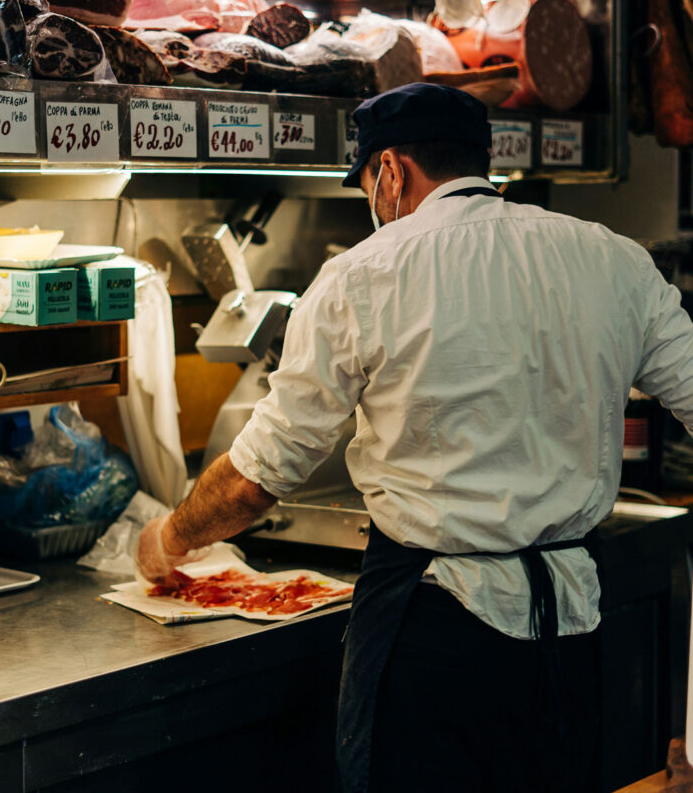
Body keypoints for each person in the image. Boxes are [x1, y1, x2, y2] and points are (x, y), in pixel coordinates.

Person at [136, 82, 693, 793]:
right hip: (571, 620)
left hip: (432, 626)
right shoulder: (611, 258)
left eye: (368, 182)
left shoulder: (361, 275)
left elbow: (255, 481)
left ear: (391, 171)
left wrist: (170, 537)